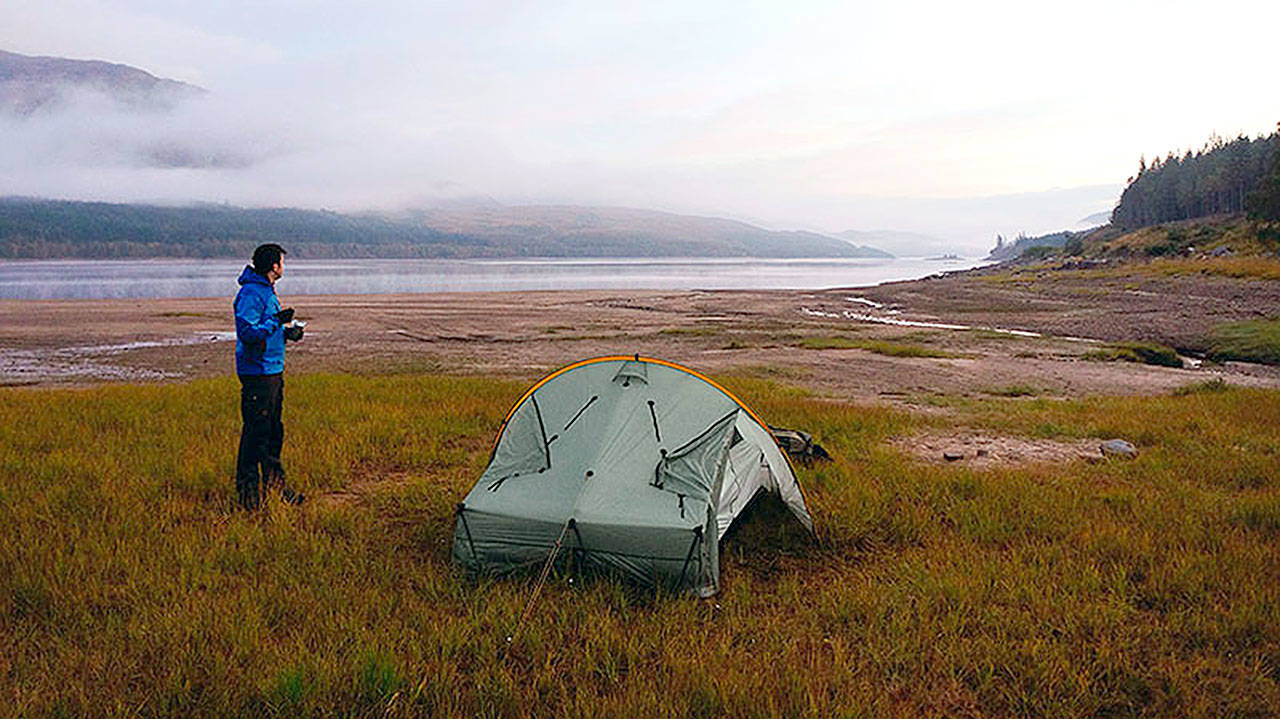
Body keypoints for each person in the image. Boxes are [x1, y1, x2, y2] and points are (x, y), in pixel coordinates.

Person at [233, 243, 305, 509]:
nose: (284, 266)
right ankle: (248, 499)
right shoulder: (251, 293)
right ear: (274, 266)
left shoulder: (266, 291)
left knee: (274, 432)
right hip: (258, 374)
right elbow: (248, 333)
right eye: (282, 262)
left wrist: (287, 333)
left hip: (273, 371)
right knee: (255, 435)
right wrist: (276, 321)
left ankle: (277, 491)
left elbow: (266, 331)